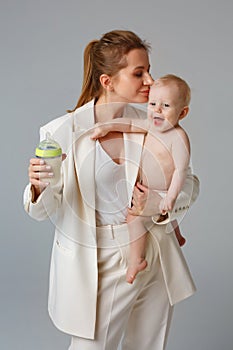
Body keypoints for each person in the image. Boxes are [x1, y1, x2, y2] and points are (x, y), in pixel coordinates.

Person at [23, 30, 200, 350]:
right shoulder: (60, 132)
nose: (150, 79)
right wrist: (38, 188)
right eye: (138, 73)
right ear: (108, 81)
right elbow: (42, 210)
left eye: (149, 69)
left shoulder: (153, 119)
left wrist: (157, 202)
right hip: (97, 263)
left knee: (149, 345)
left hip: (153, 254)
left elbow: (188, 183)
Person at [91, 74, 191, 283]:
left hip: (159, 192)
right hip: (144, 189)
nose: (157, 110)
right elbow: (127, 124)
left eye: (165, 106)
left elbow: (181, 172)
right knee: (161, 218)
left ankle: (137, 260)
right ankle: (177, 234)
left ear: (182, 112)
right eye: (153, 103)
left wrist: (169, 198)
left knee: (133, 218)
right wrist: (107, 127)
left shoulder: (178, 137)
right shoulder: (150, 125)